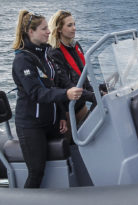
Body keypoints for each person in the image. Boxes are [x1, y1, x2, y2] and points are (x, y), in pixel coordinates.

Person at [11, 10, 82, 188]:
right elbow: (37, 93)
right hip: (31, 125)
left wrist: (61, 115)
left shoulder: (44, 55)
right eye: (44, 29)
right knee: (36, 172)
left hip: (51, 121)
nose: (48, 32)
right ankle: (26, 203)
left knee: (70, 152)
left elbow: (52, 85)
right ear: (31, 32)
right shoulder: (22, 60)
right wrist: (66, 94)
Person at [48, 10, 96, 132]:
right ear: (59, 29)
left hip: (80, 103)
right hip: (66, 108)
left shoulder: (76, 46)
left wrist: (96, 92)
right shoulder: (54, 52)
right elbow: (66, 83)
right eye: (69, 25)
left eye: (74, 24)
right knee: (70, 140)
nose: (74, 28)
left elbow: (83, 75)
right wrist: (93, 96)